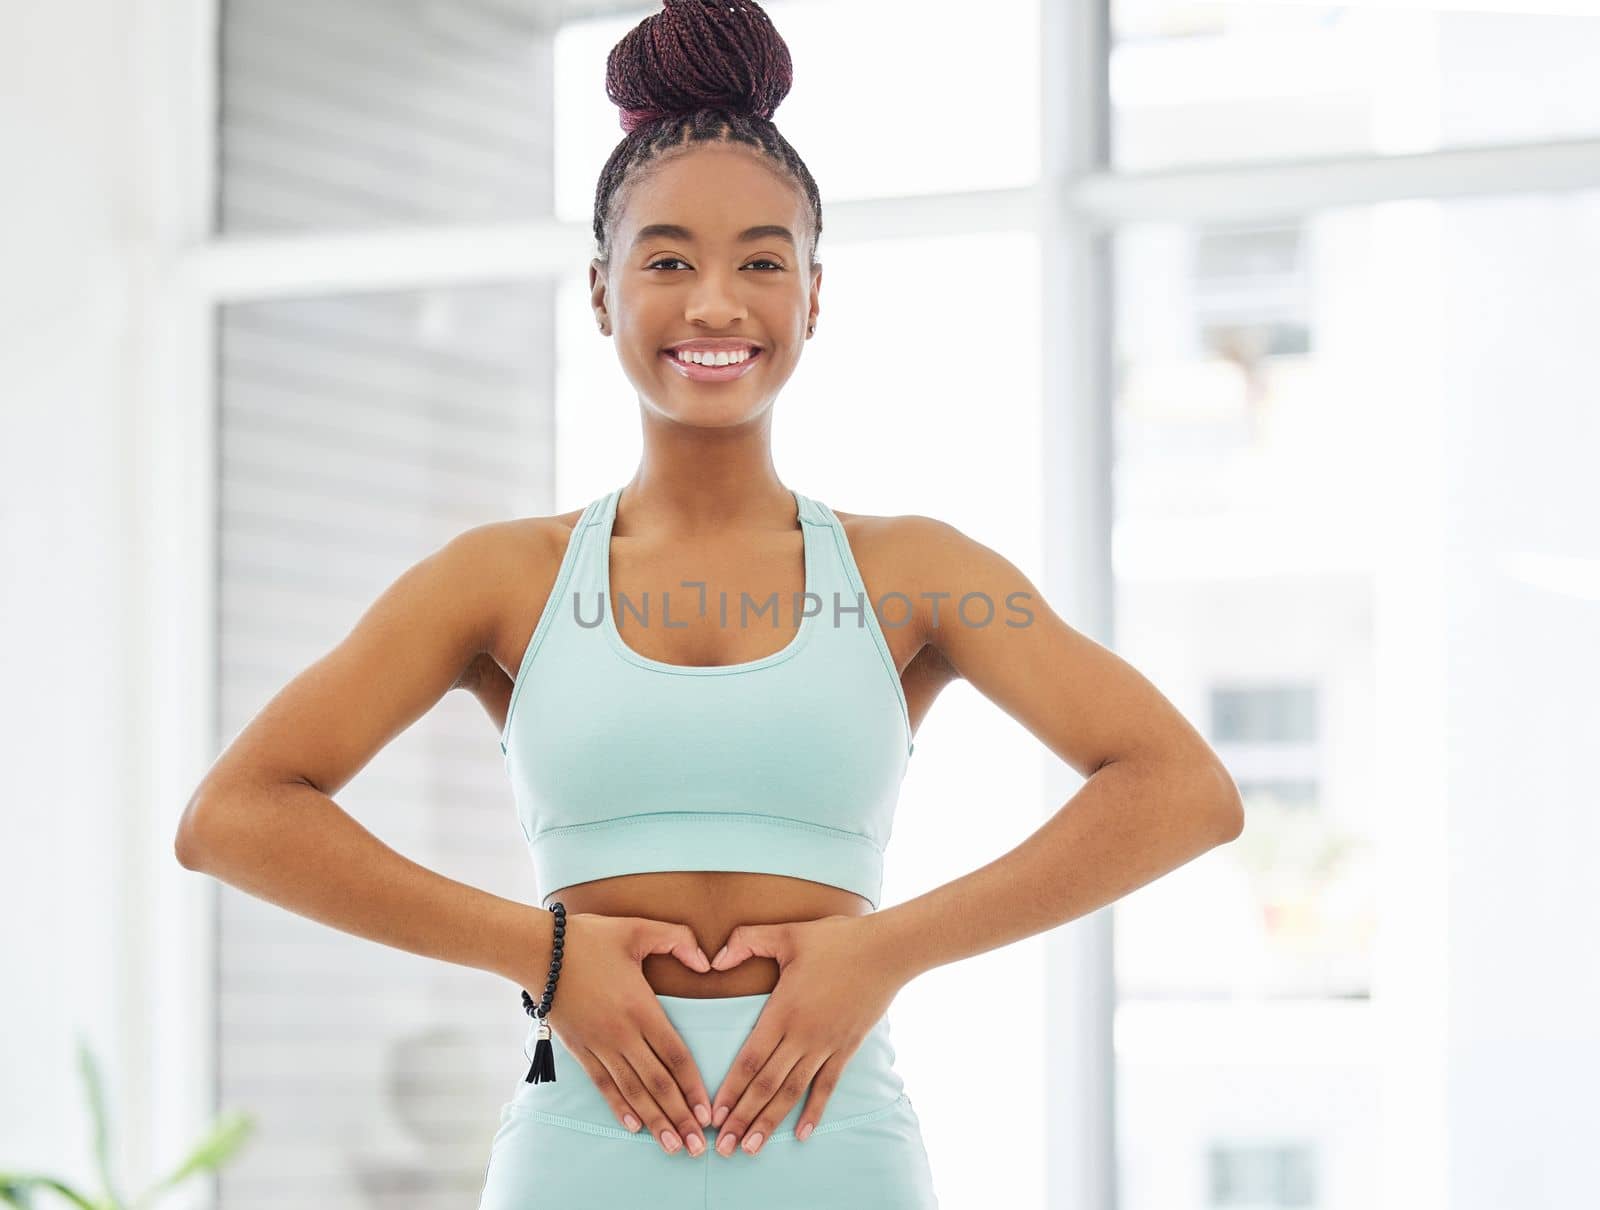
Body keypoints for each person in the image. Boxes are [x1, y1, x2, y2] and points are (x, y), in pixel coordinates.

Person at [174, 1, 1245, 1206]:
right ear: (599, 291)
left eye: (761, 261)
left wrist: (888, 951)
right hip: (577, 1164)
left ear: (815, 295)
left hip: (839, 1162)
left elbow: (1180, 791)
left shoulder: (915, 575)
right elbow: (235, 814)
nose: (717, 303)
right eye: (669, 259)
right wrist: (541, 951)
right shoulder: (502, 580)